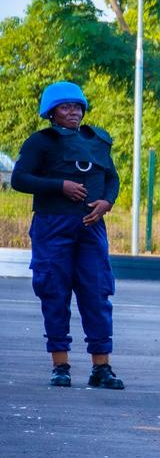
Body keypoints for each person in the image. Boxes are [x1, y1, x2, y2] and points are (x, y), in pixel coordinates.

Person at [13, 81, 122, 389]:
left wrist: (107, 202)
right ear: (51, 113)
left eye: (77, 106)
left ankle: (101, 366)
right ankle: (60, 364)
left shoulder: (97, 139)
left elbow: (112, 178)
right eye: (65, 107)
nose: (73, 112)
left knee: (97, 293)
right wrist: (60, 186)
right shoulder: (40, 142)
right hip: (53, 226)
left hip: (91, 226)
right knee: (54, 292)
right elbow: (20, 179)